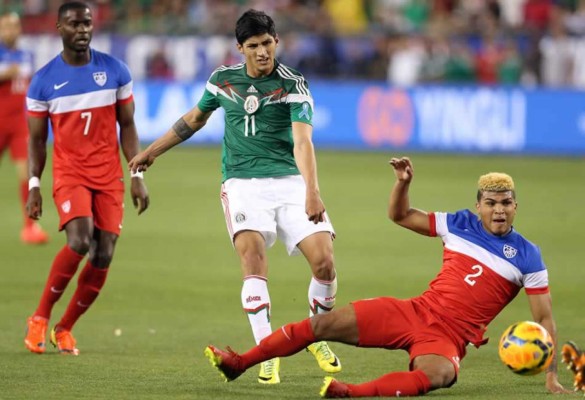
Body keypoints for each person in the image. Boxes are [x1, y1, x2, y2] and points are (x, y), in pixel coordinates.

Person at [204, 156, 570, 397]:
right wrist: (402, 183)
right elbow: (400, 216)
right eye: (491, 203)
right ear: (479, 207)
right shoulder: (459, 223)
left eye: (506, 203)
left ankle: (349, 392)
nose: (499, 210)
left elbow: (544, 319)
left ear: (515, 206)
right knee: (322, 325)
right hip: (413, 312)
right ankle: (240, 363)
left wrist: (551, 375)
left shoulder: (528, 256)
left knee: (438, 376)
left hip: (449, 337)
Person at [128, 9, 340, 384]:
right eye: (254, 46)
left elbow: (303, 141)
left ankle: (314, 334)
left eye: (268, 44)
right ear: (240, 48)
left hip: (291, 182)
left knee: (324, 263)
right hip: (242, 184)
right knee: (253, 258)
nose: (262, 52)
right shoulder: (222, 80)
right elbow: (193, 119)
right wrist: (152, 151)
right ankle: (267, 351)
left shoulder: (292, 82)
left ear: (277, 42)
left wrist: (312, 192)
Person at [24, 1, 149, 356]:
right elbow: (36, 141)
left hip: (108, 176)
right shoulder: (43, 81)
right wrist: (34, 186)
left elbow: (127, 125)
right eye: (74, 24)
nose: (82, 30)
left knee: (104, 252)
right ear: (59, 28)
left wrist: (136, 172)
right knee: (79, 241)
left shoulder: (115, 70)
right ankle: (40, 317)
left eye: (87, 23)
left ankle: (65, 328)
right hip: (70, 173)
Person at [0, 12, 49, 244]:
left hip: (20, 122)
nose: (11, 31)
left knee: (27, 173)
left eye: (14, 26)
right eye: (6, 27)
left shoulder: (26, 55)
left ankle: (30, 227)